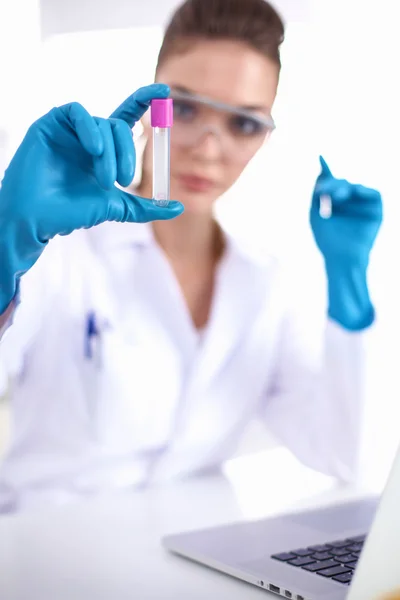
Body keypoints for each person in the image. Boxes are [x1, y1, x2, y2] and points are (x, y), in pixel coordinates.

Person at [0, 0, 382, 512]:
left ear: (266, 135)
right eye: (184, 109)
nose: (207, 147)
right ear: (150, 104)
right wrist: (6, 241)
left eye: (243, 124)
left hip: (187, 564)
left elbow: (340, 455)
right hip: (43, 555)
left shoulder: (266, 283)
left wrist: (349, 284)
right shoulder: (59, 256)